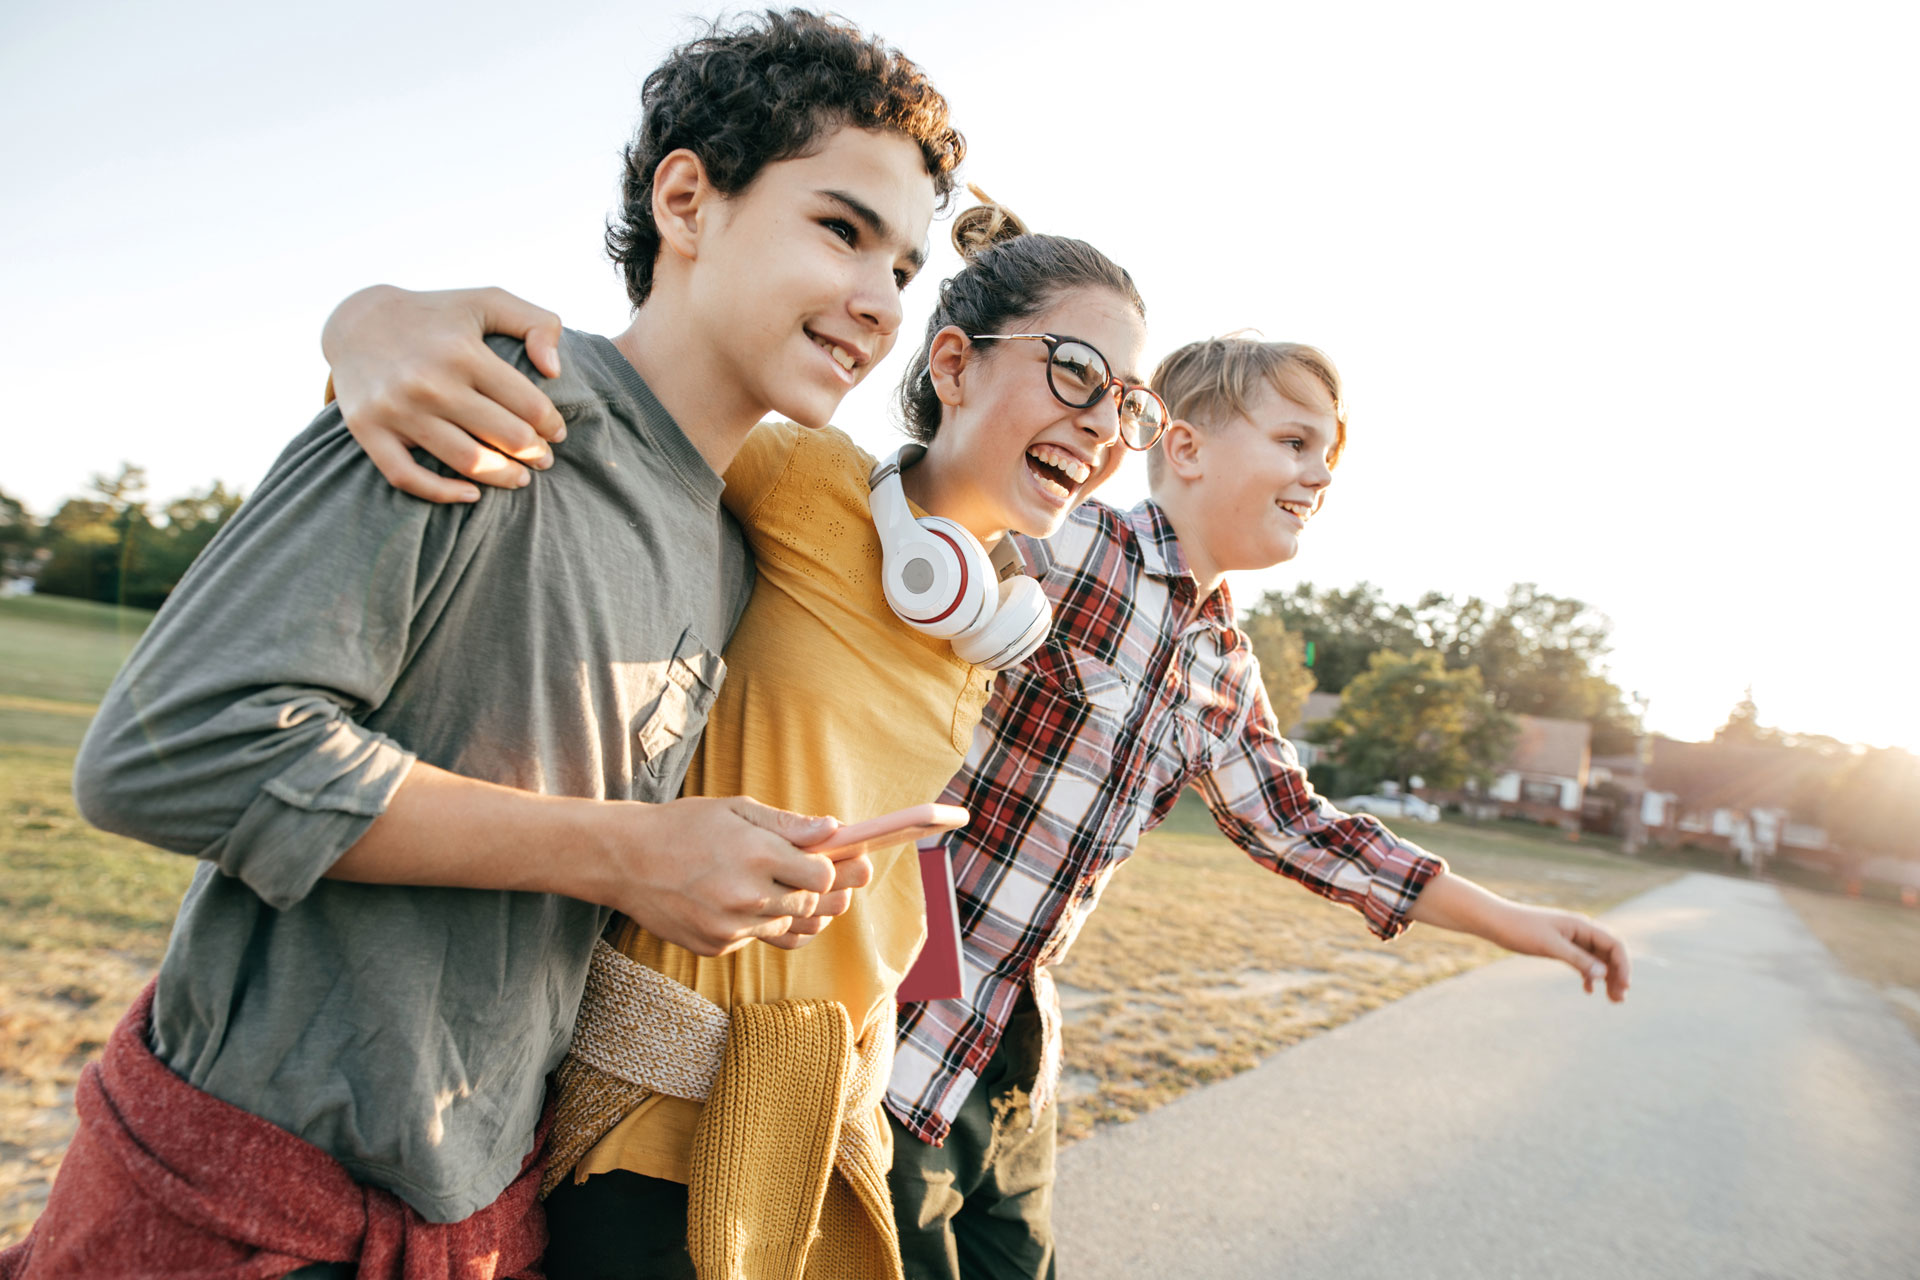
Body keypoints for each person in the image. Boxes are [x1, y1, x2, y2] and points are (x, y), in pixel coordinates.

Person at [321, 335, 1633, 1280]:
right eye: (1295, 441)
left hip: (1015, 1058)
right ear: (1177, 442)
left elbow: (1300, 823)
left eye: (1330, 459)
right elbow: (892, 504)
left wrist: (1517, 918)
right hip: (897, 1044)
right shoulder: (1062, 552)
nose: (1317, 472)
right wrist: (395, 329)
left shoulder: (1226, 656)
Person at [0, 13, 960, 1280]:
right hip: (245, 1198)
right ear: (688, 198)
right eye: (840, 229)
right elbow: (168, 749)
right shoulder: (479, 400)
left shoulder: (734, 546)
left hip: (488, 1217)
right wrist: (627, 853)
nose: (877, 300)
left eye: (903, 264)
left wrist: (729, 874)